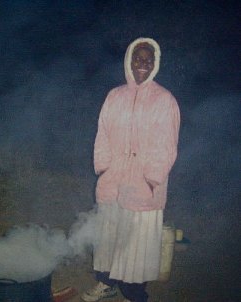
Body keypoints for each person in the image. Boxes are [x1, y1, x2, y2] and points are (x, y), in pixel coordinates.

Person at [81, 38, 180, 302]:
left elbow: (167, 147)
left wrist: (151, 180)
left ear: (156, 64)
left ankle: (135, 294)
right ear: (129, 60)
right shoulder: (115, 96)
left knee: (137, 243)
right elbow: (102, 134)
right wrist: (103, 168)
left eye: (149, 59)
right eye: (138, 57)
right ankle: (106, 283)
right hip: (113, 178)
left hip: (144, 185)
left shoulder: (164, 100)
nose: (143, 64)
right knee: (109, 235)